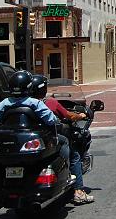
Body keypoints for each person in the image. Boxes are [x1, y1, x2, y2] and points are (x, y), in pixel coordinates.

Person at [28, 75, 94, 205]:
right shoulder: (50, 103)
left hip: (32, 141)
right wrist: (81, 115)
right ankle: (78, 191)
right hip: (50, 138)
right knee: (74, 156)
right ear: (43, 89)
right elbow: (69, 116)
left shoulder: (26, 103)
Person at [0, 71, 70, 165]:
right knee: (64, 141)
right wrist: (57, 121)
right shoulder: (35, 103)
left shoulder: (4, 103)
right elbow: (51, 120)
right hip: (30, 139)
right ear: (29, 86)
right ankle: (65, 165)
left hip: (8, 143)